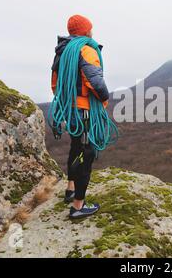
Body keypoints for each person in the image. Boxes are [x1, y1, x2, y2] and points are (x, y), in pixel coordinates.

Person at [51, 14, 109, 219]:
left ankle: (70, 188)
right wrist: (103, 101)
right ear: (85, 31)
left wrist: (69, 102)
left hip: (72, 110)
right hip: (85, 111)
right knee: (87, 153)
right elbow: (96, 82)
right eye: (90, 27)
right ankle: (78, 206)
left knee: (76, 147)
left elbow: (55, 84)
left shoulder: (62, 51)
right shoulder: (86, 50)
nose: (92, 30)